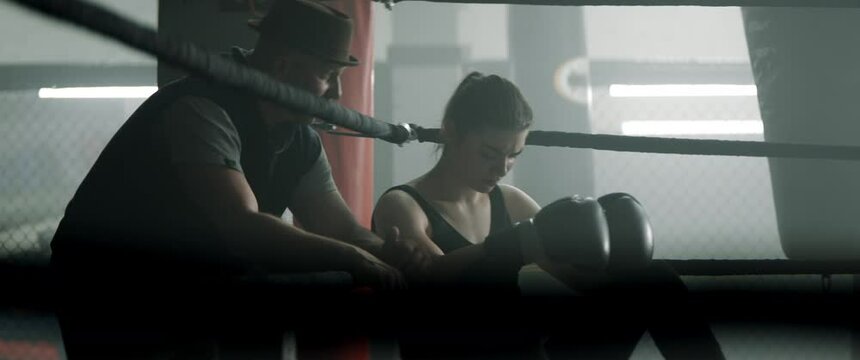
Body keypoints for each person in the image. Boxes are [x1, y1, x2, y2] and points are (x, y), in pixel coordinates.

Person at [50, 0, 410, 358]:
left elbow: (342, 228)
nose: (337, 94)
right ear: (283, 67)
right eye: (328, 75)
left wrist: (388, 253)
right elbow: (241, 224)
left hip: (200, 281)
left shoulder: (301, 140)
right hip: (111, 284)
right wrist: (353, 257)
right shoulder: (202, 107)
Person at [372, 71, 725, 359]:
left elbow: (584, 283)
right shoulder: (403, 204)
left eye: (514, 155)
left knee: (654, 279)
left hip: (529, 353)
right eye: (489, 154)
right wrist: (513, 245)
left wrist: (616, 257)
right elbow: (433, 280)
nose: (502, 168)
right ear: (451, 131)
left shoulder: (510, 202)